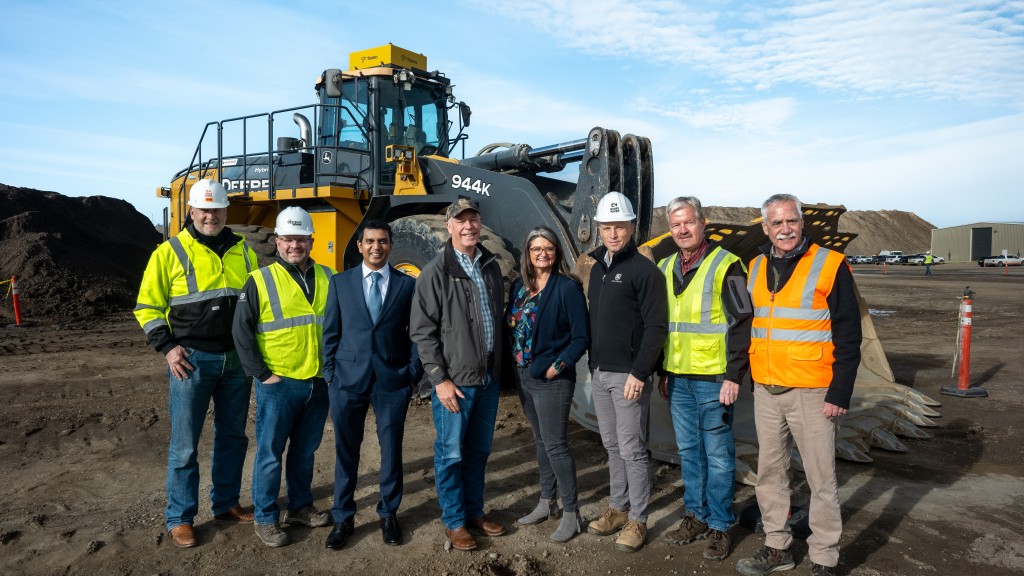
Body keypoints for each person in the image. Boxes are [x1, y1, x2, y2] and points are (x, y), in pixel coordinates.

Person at [736, 194, 862, 576]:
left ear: (802, 223)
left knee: (821, 477)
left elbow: (848, 333)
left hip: (812, 390)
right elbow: (750, 326)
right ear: (765, 228)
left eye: (791, 221)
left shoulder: (830, 265)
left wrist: (840, 391)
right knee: (770, 474)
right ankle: (778, 547)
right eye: (777, 223)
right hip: (768, 389)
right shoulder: (756, 266)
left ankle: (824, 557)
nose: (785, 229)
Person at [134, 179, 257, 548]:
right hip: (191, 361)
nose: (210, 216)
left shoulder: (244, 251)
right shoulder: (168, 252)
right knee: (185, 445)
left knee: (233, 438)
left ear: (225, 212)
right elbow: (146, 307)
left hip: (235, 361)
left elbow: (253, 304)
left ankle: (226, 504)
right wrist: (168, 348)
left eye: (216, 209)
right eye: (204, 210)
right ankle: (180, 518)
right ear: (191, 212)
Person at [656, 197, 752, 561]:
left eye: (688, 222)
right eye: (675, 224)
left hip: (714, 380)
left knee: (718, 455)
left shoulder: (727, 265)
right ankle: (695, 515)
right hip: (678, 379)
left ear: (703, 223)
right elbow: (665, 327)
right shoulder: (665, 267)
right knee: (689, 453)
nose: (682, 230)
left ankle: (721, 524)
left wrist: (734, 375)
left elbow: (743, 322)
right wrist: (664, 371)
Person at [232, 207, 336, 547]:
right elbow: (242, 332)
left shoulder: (328, 276)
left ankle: (301, 507)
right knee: (270, 453)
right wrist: (262, 375)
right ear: (278, 242)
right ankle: (265, 517)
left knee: (305, 450)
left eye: (301, 239)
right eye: (289, 239)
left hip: (317, 380)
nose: (295, 245)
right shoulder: (259, 280)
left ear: (311, 240)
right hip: (279, 383)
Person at [410, 198, 507, 552]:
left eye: (474, 219)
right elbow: (422, 332)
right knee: (451, 452)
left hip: (488, 378)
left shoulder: (491, 266)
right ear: (449, 226)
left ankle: (474, 511)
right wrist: (440, 379)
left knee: (479, 450)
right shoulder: (436, 272)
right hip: (456, 382)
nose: (469, 226)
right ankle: (453, 521)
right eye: (461, 220)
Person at [321, 219, 422, 549]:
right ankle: (343, 517)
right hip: (347, 381)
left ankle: (389, 514)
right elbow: (330, 334)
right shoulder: (341, 283)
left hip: (392, 381)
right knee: (346, 453)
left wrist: (410, 373)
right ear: (361, 246)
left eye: (382, 241)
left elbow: (416, 335)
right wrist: (331, 375)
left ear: (390, 245)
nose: (376, 247)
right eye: (370, 242)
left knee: (391, 451)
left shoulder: (406, 286)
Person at [585, 191, 668, 553]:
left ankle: (638, 518)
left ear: (632, 227)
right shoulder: (597, 269)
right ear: (599, 229)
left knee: (632, 448)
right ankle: (617, 509)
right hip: (601, 372)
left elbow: (656, 327)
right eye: (607, 227)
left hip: (628, 376)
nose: (613, 233)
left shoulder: (644, 271)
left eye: (619, 226)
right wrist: (592, 365)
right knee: (612, 444)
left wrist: (640, 372)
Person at [505, 227, 590, 543]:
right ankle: (547, 502)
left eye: (548, 248)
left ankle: (572, 513)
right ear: (527, 253)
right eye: (536, 248)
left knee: (556, 444)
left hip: (551, 380)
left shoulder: (567, 287)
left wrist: (558, 366)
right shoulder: (519, 286)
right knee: (540, 441)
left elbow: (581, 337)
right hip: (523, 375)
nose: (542, 254)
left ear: (557, 252)